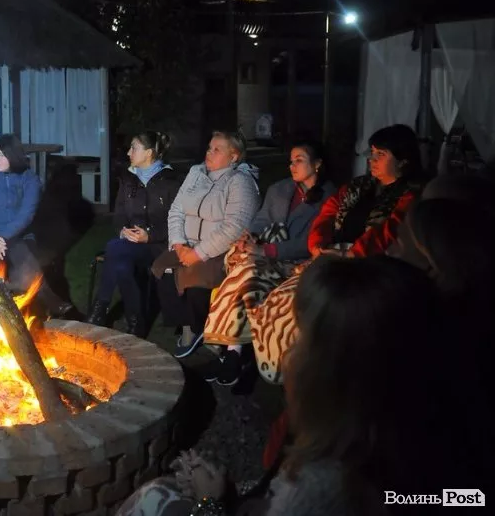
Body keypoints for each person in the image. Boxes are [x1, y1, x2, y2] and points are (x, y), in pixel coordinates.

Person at [118, 256, 471, 516]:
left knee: (154, 498)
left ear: (335, 366)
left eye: (300, 338)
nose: (288, 353)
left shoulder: (328, 484)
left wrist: (211, 502)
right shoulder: (416, 445)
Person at [246, 124, 424, 384]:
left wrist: (351, 255)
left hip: (368, 265)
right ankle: (277, 365)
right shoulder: (359, 186)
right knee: (275, 300)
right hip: (329, 256)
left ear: (403, 160)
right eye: (372, 153)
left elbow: (387, 231)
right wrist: (318, 245)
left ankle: (306, 373)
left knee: (300, 306)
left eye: (381, 154)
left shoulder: (408, 196)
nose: (372, 160)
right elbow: (328, 213)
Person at [200, 140, 335, 385]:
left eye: (299, 160)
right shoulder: (280, 189)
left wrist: (267, 250)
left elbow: (311, 242)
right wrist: (249, 236)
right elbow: (261, 220)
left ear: (317, 164)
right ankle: (234, 354)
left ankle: (231, 354)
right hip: (263, 254)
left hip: (295, 261)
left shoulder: (329, 198)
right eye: (291, 160)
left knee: (245, 273)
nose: (292, 166)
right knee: (245, 272)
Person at [152, 131, 260, 359]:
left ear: (234, 156)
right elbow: (176, 210)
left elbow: (235, 226)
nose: (209, 153)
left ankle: (201, 328)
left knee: (196, 275)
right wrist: (178, 244)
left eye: (216, 150)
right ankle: (188, 326)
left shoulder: (241, 182)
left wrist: (198, 253)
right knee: (162, 267)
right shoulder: (196, 173)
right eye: (209, 148)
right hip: (186, 245)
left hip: (218, 250)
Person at [0, 134, 78, 318]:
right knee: (19, 256)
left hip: (19, 238)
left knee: (18, 249)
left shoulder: (29, 179)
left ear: (13, 155)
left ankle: (18, 313)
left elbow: (26, 216)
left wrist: (1, 238)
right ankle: (48, 299)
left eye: (2, 155)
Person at [87, 131, 181, 337]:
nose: (129, 152)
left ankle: (100, 309)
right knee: (121, 263)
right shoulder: (128, 179)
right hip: (129, 244)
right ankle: (135, 322)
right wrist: (122, 230)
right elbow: (119, 215)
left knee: (114, 249)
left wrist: (150, 235)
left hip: (158, 245)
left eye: (134, 148)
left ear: (148, 153)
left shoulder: (171, 182)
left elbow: (177, 221)